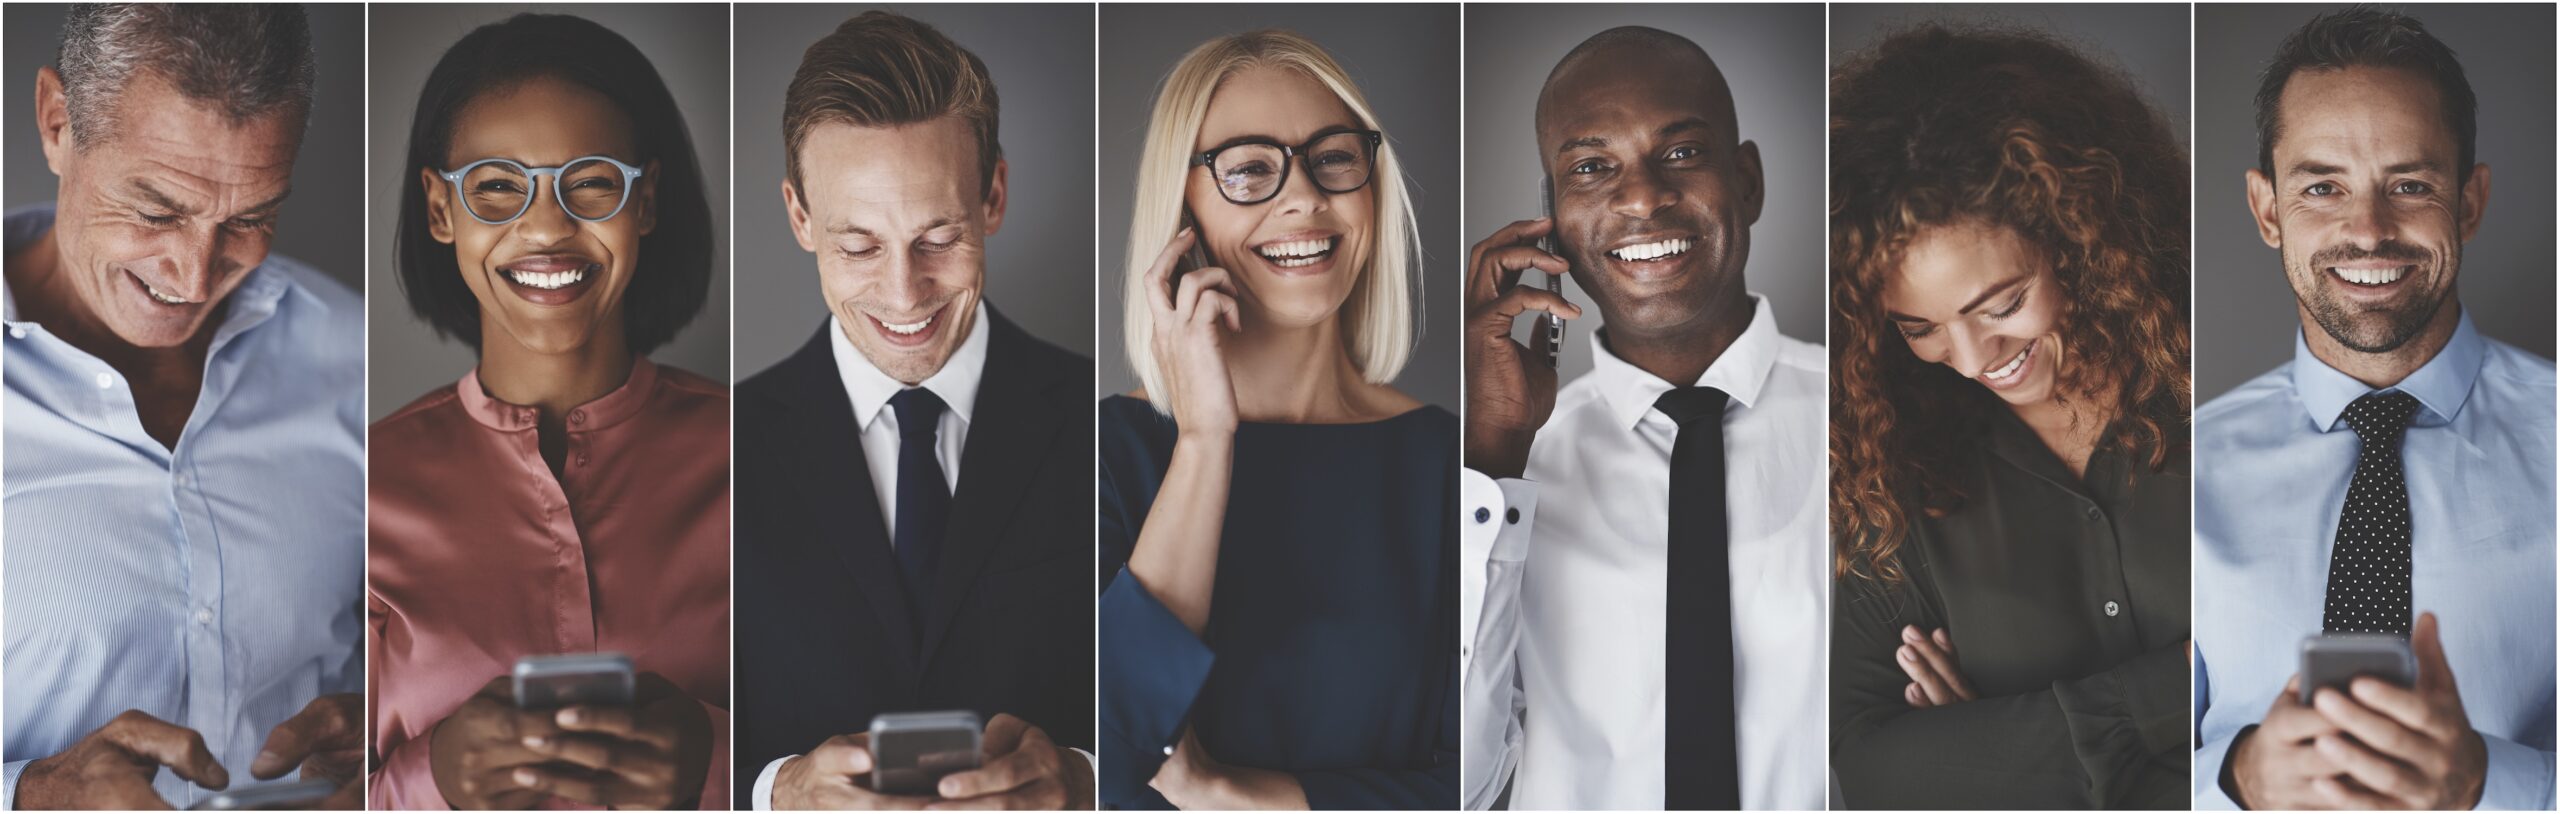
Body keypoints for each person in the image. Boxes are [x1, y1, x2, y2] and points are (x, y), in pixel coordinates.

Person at [2193, 7, 2555, 810]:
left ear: (2470, 201)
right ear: (2266, 209)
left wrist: (2493, 785)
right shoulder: (2177, 472)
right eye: (2323, 186)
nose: (2368, 229)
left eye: (2411, 184)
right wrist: (2236, 780)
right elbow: (2123, 769)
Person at [733, 11, 1096, 811]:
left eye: (938, 236)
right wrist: (772, 792)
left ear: (993, 194)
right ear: (800, 218)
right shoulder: (715, 447)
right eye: (858, 245)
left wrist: (1086, 778)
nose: (904, 294)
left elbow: (1177, 721)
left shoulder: (1108, 424)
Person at [3, 5, 364, 809]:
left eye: (250, 218)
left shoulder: (355, 357)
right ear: (57, 123)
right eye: (157, 209)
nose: (196, 278)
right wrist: (27, 792)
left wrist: (391, 739)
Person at [365, 13, 728, 809]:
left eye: (591, 181)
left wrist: (718, 759)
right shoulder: (355, 489)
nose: (546, 226)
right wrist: (433, 779)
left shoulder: (772, 459)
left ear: (648, 200)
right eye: (496, 186)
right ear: (439, 211)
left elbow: (856, 749)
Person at [1458, 26, 1825, 810]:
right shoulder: (1494, 474)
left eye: (1683, 153)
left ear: (1749, 181)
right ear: (1551, 219)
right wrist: (1492, 458)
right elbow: (1459, 786)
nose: (1641, 197)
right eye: (1592, 167)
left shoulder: (1868, 414)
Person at [1826, 24, 2192, 809]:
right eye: (1918, 328)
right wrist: (2180, 691)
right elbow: (1873, 768)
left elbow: (2303, 688)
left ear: (2082, 241)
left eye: (2002, 304)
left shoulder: (2220, 394)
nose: (1970, 358)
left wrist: (1998, 759)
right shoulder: (1892, 468)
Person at [1099, 29, 1455, 811]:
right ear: (1181, 205)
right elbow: (1111, 756)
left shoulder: (1446, 462)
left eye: (1333, 157)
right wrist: (1203, 441)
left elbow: (1485, 780)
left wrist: (1234, 795)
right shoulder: (1102, 456)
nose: (1304, 197)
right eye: (1251, 168)